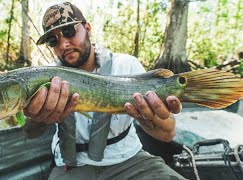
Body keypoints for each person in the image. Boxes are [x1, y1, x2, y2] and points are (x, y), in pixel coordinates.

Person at [23, 2, 186, 180]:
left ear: (87, 28)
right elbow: (30, 133)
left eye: (69, 32)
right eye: (53, 40)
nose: (63, 44)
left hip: (129, 161)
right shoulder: (45, 80)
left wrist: (149, 119)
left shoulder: (127, 65)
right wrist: (37, 119)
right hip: (71, 167)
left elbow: (167, 133)